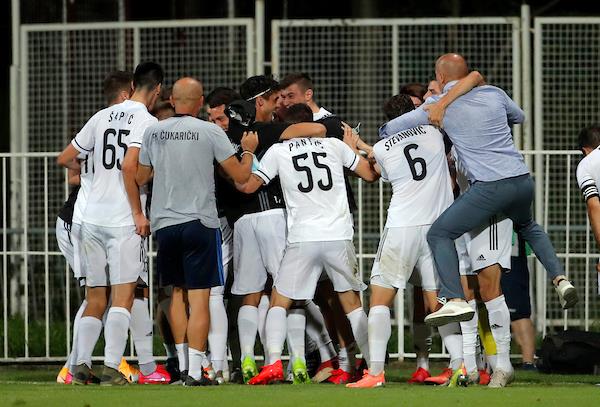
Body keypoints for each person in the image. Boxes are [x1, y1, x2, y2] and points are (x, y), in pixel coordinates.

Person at [379, 53, 578, 331]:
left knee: (439, 233)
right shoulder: (494, 93)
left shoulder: (437, 105)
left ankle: (455, 298)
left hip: (489, 186)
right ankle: (560, 278)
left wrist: (432, 107)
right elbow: (519, 116)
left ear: (441, 77)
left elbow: (389, 129)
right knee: (529, 226)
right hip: (522, 179)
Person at [136, 77, 259, 386]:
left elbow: (140, 176)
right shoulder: (210, 131)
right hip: (200, 222)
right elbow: (240, 175)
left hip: (165, 223)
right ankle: (195, 370)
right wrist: (248, 151)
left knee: (175, 294)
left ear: (172, 100)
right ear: (201, 102)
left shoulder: (153, 132)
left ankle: (182, 364)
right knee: (201, 297)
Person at [236, 122, 379, 385]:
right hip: (337, 235)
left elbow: (248, 186)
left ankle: (273, 363)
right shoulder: (334, 145)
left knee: (279, 301)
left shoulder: (279, 150)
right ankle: (375, 369)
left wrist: (247, 152)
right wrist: (353, 149)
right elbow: (371, 175)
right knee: (351, 304)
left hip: (303, 237)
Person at [57, 62, 170, 386]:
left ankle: (79, 365)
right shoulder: (147, 122)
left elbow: (65, 158)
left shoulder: (101, 116)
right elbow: (130, 168)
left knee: (95, 297)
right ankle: (110, 367)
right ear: (158, 89)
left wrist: (91, 175)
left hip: (90, 219)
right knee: (124, 296)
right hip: (123, 220)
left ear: (133, 85)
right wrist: (138, 212)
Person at [347, 94, 455, 388]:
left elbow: (376, 170)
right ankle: (459, 366)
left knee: (380, 298)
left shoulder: (384, 147)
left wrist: (354, 147)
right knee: (438, 302)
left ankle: (376, 373)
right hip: (437, 228)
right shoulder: (434, 134)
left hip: (402, 227)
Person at [227, 75, 329, 383]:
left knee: (250, 295)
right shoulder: (268, 131)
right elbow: (317, 129)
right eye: (274, 100)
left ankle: (247, 359)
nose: (278, 106)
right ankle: (294, 361)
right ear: (259, 102)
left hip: (242, 221)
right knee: (290, 292)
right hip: (273, 217)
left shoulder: (230, 133)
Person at [279, 73, 369, 383]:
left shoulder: (331, 125)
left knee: (338, 296)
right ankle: (341, 358)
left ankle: (357, 359)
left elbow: (359, 166)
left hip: (332, 222)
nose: (284, 101)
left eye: (290, 96)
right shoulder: (294, 126)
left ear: (308, 95)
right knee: (321, 297)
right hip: (310, 225)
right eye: (281, 96)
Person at [205, 86, 244, 383]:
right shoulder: (207, 140)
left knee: (250, 295)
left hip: (243, 223)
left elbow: (242, 179)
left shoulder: (245, 140)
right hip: (218, 222)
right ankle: (218, 365)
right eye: (210, 119)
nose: (215, 125)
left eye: (220, 119)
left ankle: (239, 363)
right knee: (214, 293)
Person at [502, 232, 536, 370]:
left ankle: (528, 363)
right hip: (492, 252)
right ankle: (491, 363)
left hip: (510, 254)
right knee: (489, 309)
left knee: (518, 313)